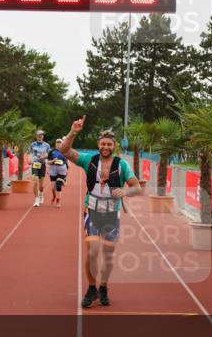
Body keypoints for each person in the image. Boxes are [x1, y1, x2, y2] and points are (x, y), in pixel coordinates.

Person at [60, 117, 142, 308]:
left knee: (108, 255)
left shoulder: (122, 165)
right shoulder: (89, 160)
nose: (105, 147)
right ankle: (91, 288)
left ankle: (103, 287)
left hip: (112, 214)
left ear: (114, 146)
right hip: (93, 213)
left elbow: (137, 187)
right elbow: (64, 150)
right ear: (98, 144)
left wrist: (125, 191)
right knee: (92, 252)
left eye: (109, 144)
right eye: (103, 143)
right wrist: (73, 132)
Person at [29, 129, 51, 207]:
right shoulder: (32, 144)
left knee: (41, 185)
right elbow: (30, 153)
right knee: (35, 181)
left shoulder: (47, 145)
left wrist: (45, 157)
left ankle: (41, 194)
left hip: (42, 165)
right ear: (36, 136)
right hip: (35, 164)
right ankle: (36, 199)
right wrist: (29, 160)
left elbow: (49, 155)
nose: (40, 137)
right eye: (38, 135)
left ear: (43, 136)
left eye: (41, 135)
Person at [47, 138, 69, 208]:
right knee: (52, 188)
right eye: (57, 143)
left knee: (58, 185)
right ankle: (54, 196)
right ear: (55, 144)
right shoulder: (51, 151)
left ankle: (58, 201)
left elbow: (67, 162)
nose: (58, 144)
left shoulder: (65, 152)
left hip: (62, 169)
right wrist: (53, 161)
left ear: (62, 144)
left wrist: (66, 170)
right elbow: (48, 162)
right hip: (53, 169)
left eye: (60, 143)